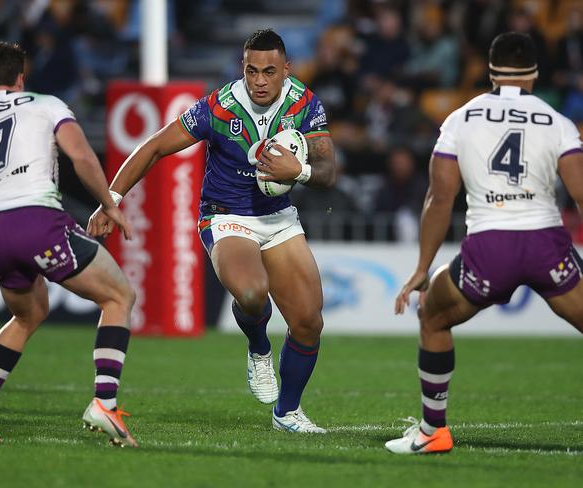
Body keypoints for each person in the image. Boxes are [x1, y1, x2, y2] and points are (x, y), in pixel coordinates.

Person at [88, 29, 337, 433]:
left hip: (279, 218)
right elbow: (153, 146)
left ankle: (287, 413)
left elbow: (328, 171)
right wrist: (111, 197)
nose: (259, 80)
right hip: (226, 216)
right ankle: (259, 348)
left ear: (286, 70)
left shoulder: (305, 104)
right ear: (243, 68)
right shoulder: (219, 106)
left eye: (269, 72)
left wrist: (301, 171)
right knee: (253, 293)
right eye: (251, 70)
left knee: (309, 322)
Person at [385, 32, 583, 455]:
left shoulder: (462, 118)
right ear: (534, 73)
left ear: (490, 72)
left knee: (433, 318)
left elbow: (440, 198)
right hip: (547, 244)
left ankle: (433, 431)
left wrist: (423, 267)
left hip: (488, 250)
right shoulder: (557, 121)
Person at [0, 40, 138, 447]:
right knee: (118, 296)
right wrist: (109, 205)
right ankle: (104, 402)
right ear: (20, 76)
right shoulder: (45, 104)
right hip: (38, 220)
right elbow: (81, 157)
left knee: (27, 316)